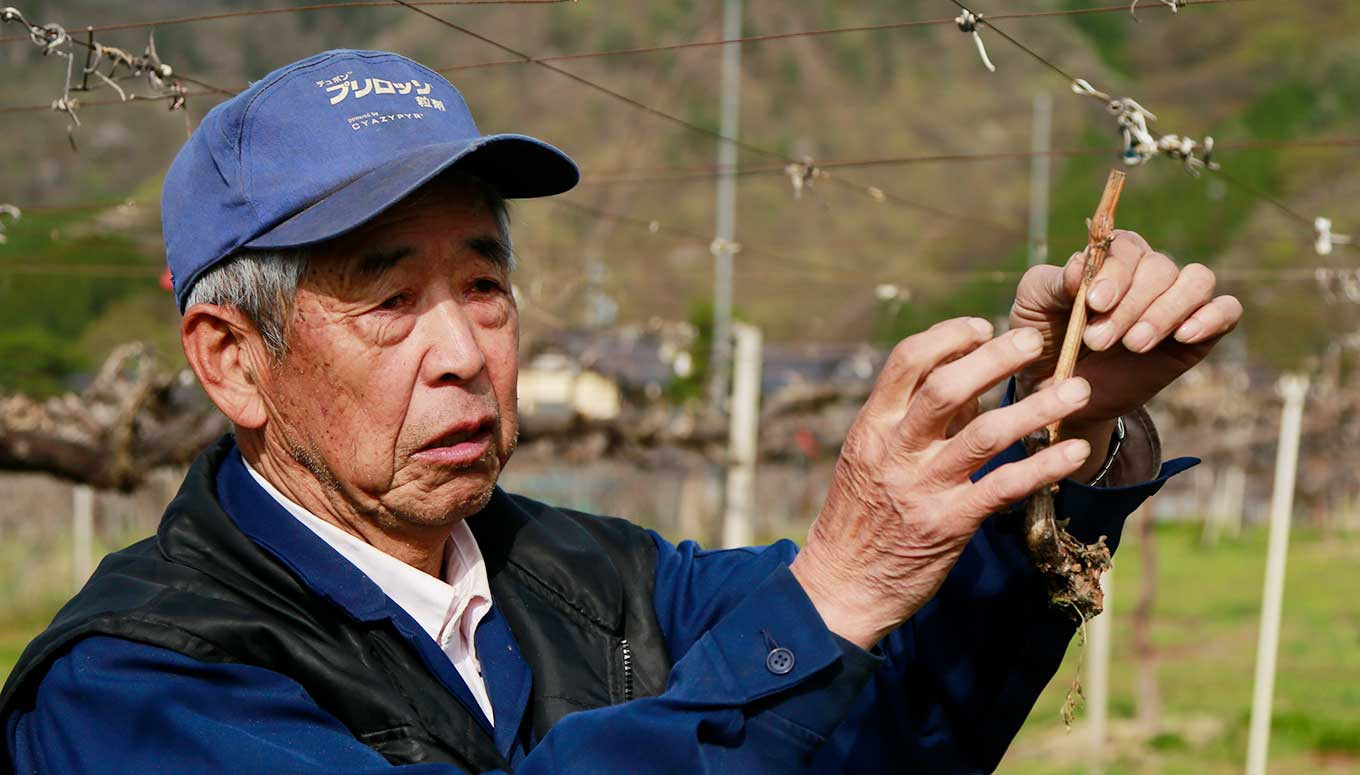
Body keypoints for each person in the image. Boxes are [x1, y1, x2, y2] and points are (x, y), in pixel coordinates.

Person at [0, 50, 1241, 774]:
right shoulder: (136, 683)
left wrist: (1066, 423)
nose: (463, 352)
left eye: (483, 284)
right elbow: (820, 620)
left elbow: (892, 712)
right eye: (389, 299)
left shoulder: (596, 576)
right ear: (231, 360)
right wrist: (830, 592)